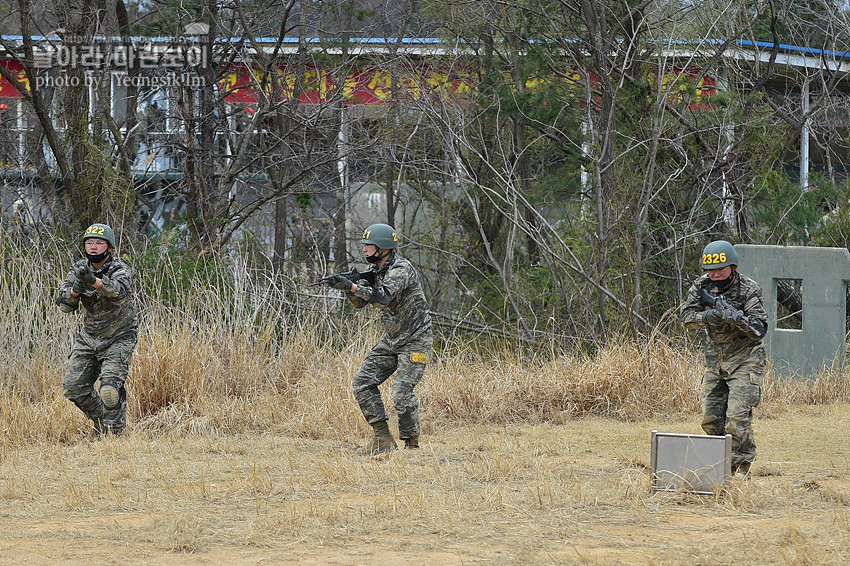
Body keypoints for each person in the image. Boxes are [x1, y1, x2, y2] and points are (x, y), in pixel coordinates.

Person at [325, 223, 433, 455]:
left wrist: (353, 286)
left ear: (382, 248)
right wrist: (347, 289)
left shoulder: (401, 269)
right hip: (393, 338)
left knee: (402, 393)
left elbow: (382, 297)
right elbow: (360, 304)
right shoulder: (375, 271)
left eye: (368, 245)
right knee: (362, 382)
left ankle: (412, 446)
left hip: (416, 339)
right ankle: (382, 439)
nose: (363, 249)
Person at [680, 240, 767, 476]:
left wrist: (735, 320)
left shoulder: (750, 289)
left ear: (733, 267)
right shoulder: (701, 286)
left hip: (746, 358)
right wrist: (709, 316)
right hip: (715, 362)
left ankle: (740, 470)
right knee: (710, 418)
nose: (715, 274)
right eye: (711, 270)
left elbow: (759, 329)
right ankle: (719, 468)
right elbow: (686, 318)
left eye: (721, 269)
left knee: (737, 417)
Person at [55, 223, 138, 437]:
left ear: (109, 248)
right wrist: (75, 291)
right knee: (73, 388)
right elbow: (65, 307)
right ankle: (103, 423)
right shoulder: (79, 268)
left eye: (99, 243)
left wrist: (94, 282)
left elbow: (119, 294)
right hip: (89, 337)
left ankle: (115, 434)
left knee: (110, 390)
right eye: (89, 242)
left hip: (119, 336)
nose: (93, 247)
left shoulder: (119, 269)